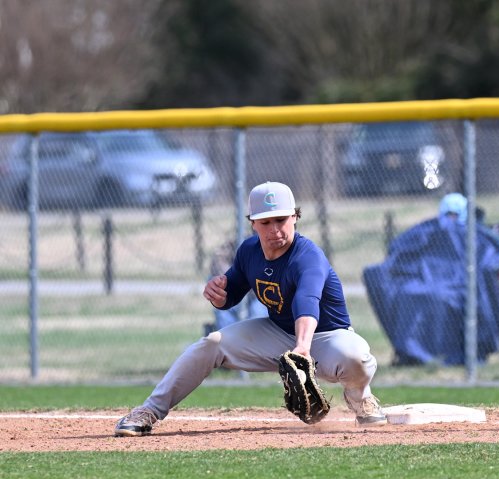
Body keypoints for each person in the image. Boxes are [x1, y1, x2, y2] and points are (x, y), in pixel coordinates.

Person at [115, 181, 387, 436]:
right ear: (253, 223)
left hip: (325, 336)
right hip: (277, 334)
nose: (275, 230)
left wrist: (302, 347)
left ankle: (360, 399)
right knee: (211, 344)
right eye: (265, 222)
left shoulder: (308, 256)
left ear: (295, 217)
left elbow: (307, 300)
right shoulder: (249, 251)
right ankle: (149, 410)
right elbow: (232, 291)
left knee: (355, 355)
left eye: (281, 220)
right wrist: (218, 295)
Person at [363, 193, 499, 366]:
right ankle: (412, 353)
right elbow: (399, 254)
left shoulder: (478, 236)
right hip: (424, 282)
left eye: (456, 215)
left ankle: (462, 353)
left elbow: (490, 261)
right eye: (448, 214)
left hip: (462, 285)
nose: (451, 220)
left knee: (443, 297)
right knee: (413, 294)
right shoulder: (428, 231)